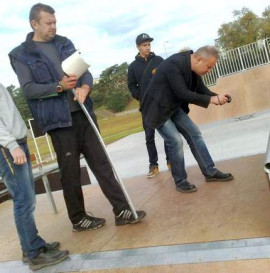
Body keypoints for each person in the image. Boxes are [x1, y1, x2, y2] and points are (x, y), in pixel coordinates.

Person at [9, 3, 146, 232]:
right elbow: (29, 89)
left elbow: (86, 72)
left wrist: (85, 87)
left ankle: (122, 210)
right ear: (34, 24)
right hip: (58, 123)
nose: (54, 26)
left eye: (55, 22)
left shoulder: (64, 42)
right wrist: (59, 87)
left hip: (83, 114)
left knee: (102, 164)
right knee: (70, 172)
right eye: (48, 23)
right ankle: (78, 219)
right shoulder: (21, 54)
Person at [140, 46, 233, 193]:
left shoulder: (193, 67)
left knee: (195, 133)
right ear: (198, 59)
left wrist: (218, 96)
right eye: (208, 67)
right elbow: (183, 93)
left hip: (173, 107)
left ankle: (210, 172)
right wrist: (211, 100)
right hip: (156, 108)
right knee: (175, 140)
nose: (209, 70)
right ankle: (180, 181)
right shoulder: (173, 65)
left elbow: (201, 89)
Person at [0, 83, 69, 271]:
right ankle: (34, 253)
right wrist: (12, 145)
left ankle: (30, 245)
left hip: (15, 142)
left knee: (26, 198)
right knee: (24, 200)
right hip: (7, 147)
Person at [128, 33, 170, 178]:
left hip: (162, 104)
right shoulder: (133, 67)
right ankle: (154, 165)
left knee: (168, 133)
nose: (147, 47)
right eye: (144, 45)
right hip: (146, 106)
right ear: (138, 47)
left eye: (149, 45)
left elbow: (167, 76)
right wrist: (139, 96)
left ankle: (171, 160)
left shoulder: (159, 60)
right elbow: (132, 86)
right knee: (149, 136)